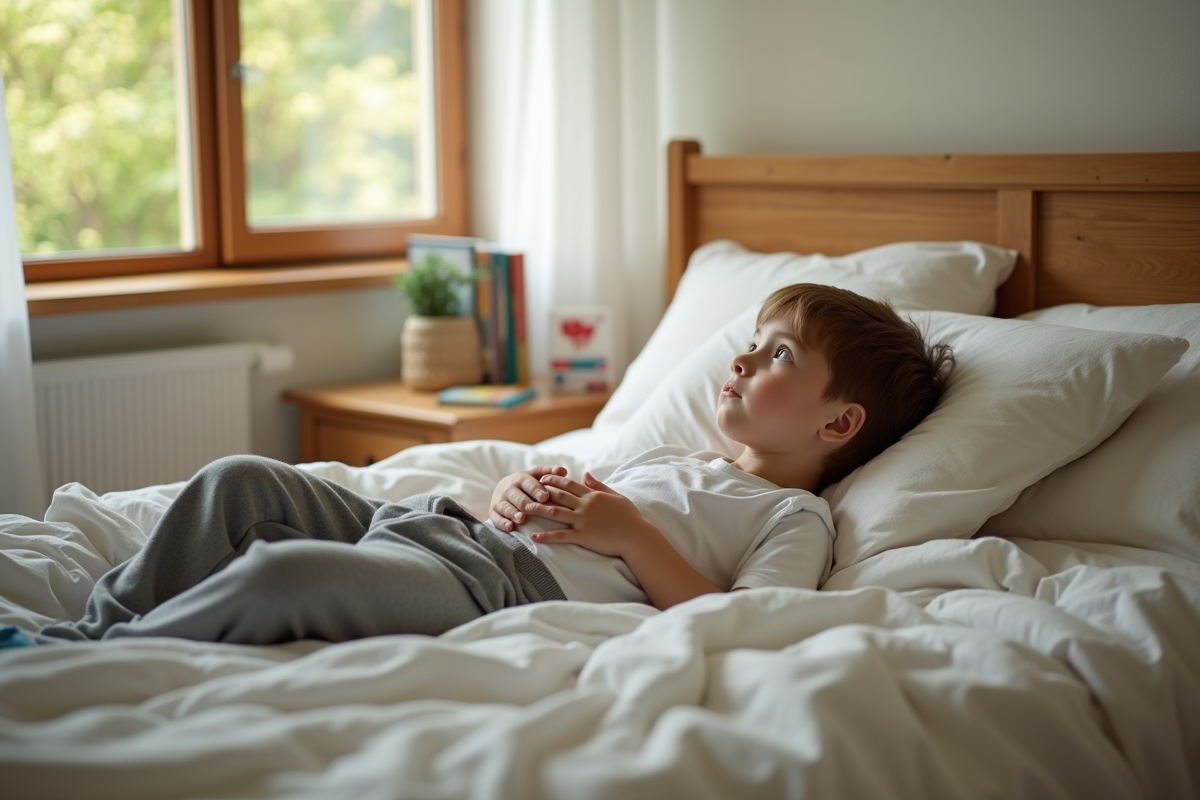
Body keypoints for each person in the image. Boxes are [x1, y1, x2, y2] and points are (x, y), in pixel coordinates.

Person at [31, 283, 953, 646]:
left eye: (780, 354)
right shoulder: (677, 452)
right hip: (453, 527)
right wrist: (525, 487)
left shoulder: (797, 520)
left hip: (498, 590)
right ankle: (91, 625)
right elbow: (576, 498)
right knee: (241, 479)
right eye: (751, 343)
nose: (743, 360)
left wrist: (627, 534)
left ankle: (118, 655)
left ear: (842, 424)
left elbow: (753, 622)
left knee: (283, 575)